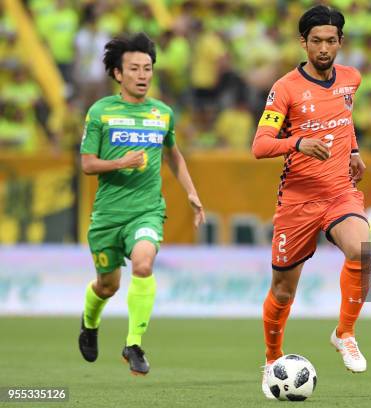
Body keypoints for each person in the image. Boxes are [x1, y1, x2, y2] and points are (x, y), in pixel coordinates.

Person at [251, 5, 368, 399]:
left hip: (339, 192)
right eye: (316, 41)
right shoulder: (285, 88)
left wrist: (353, 150)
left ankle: (344, 333)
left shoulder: (351, 80)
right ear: (303, 42)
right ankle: (271, 360)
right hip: (298, 200)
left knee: (362, 251)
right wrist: (297, 142)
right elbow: (260, 145)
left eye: (330, 41)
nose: (323, 48)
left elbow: (344, 118)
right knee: (283, 291)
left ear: (340, 42)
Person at [78, 32, 205, 376]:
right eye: (134, 68)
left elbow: (174, 155)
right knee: (108, 285)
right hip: (108, 215)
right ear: (118, 74)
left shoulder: (162, 114)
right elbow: (87, 164)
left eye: (147, 68)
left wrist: (191, 193)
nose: (143, 75)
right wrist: (121, 162)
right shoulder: (100, 112)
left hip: (146, 210)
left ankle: (133, 343)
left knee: (144, 265)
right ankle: (90, 323)